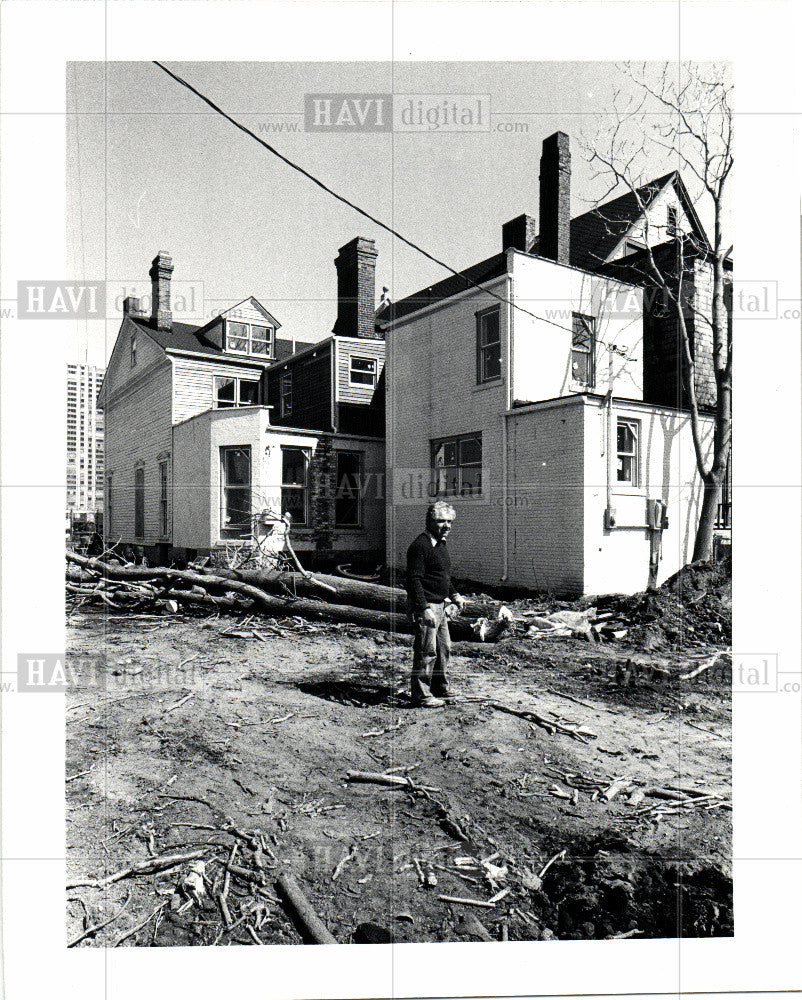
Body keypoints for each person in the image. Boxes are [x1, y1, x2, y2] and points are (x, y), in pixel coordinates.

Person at [406, 501, 466, 708]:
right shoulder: (420, 546)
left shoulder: (440, 545)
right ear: (430, 521)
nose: (447, 526)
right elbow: (413, 580)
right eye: (441, 521)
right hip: (428, 608)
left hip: (441, 607)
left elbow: (442, 576)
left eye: (449, 521)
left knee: (443, 648)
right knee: (426, 651)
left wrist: (455, 594)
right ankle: (421, 695)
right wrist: (423, 608)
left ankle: (440, 688)